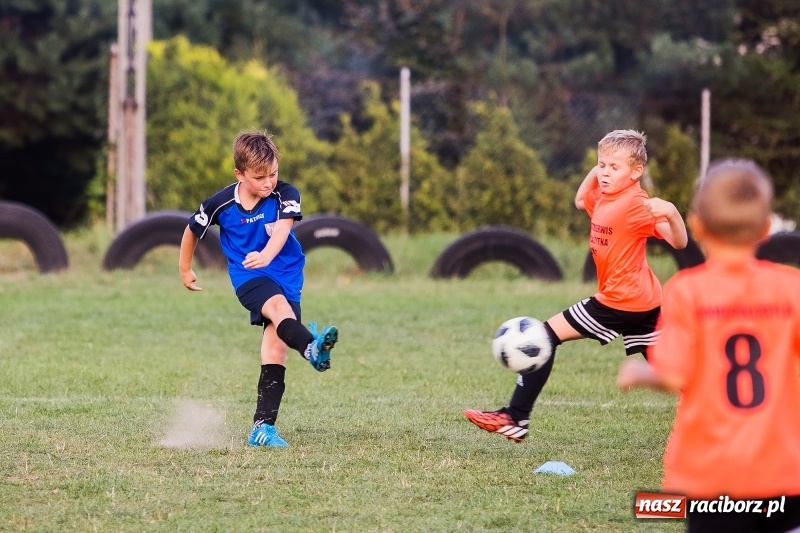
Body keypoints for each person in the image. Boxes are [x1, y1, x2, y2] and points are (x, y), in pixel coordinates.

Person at [465, 129, 688, 442]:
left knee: (543, 336)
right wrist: (603, 164)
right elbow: (580, 199)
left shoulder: (636, 204)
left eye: (615, 167)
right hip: (646, 303)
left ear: (636, 172)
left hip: (620, 302)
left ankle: (515, 417)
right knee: (671, 371)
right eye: (602, 165)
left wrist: (672, 212)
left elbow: (680, 241)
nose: (605, 173)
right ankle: (723, 411)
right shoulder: (605, 196)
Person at [617, 159, 800, 532]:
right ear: (766, 230)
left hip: (710, 477)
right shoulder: (790, 288)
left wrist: (639, 372)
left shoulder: (687, 291)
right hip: (784, 471)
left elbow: (673, 376)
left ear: (697, 225)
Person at [179, 130, 338, 448]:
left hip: (287, 275)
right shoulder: (221, 203)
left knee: (275, 350)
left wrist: (267, 254)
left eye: (273, 173)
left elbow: (283, 229)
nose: (269, 182)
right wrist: (185, 268)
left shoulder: (285, 193)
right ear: (239, 174)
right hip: (249, 277)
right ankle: (311, 348)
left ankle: (262, 429)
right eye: (260, 177)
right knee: (278, 310)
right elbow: (192, 230)